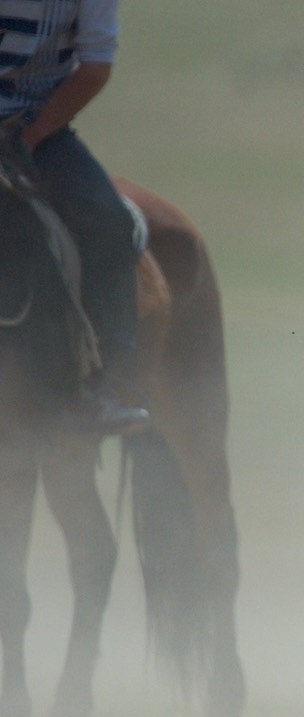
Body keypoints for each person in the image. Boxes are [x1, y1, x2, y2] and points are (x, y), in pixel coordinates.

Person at [1, 0, 149, 434]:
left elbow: (95, 66)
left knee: (108, 220)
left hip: (35, 129)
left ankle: (108, 382)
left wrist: (31, 135)